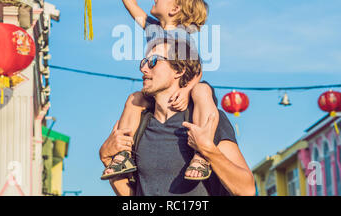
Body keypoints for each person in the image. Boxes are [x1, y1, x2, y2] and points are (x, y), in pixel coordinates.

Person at [100, 0, 219, 181]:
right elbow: (131, 5)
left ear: (175, 10)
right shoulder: (153, 29)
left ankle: (201, 154)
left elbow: (198, 69)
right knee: (134, 99)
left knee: (202, 89)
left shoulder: (182, 36)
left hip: (181, 89)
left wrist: (186, 90)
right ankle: (123, 155)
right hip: (160, 94)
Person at [99, 39, 256, 196]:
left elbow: (246, 190)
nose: (144, 69)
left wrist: (207, 150)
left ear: (178, 70)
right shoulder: (138, 126)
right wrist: (107, 160)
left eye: (153, 61)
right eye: (144, 62)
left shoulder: (204, 119)